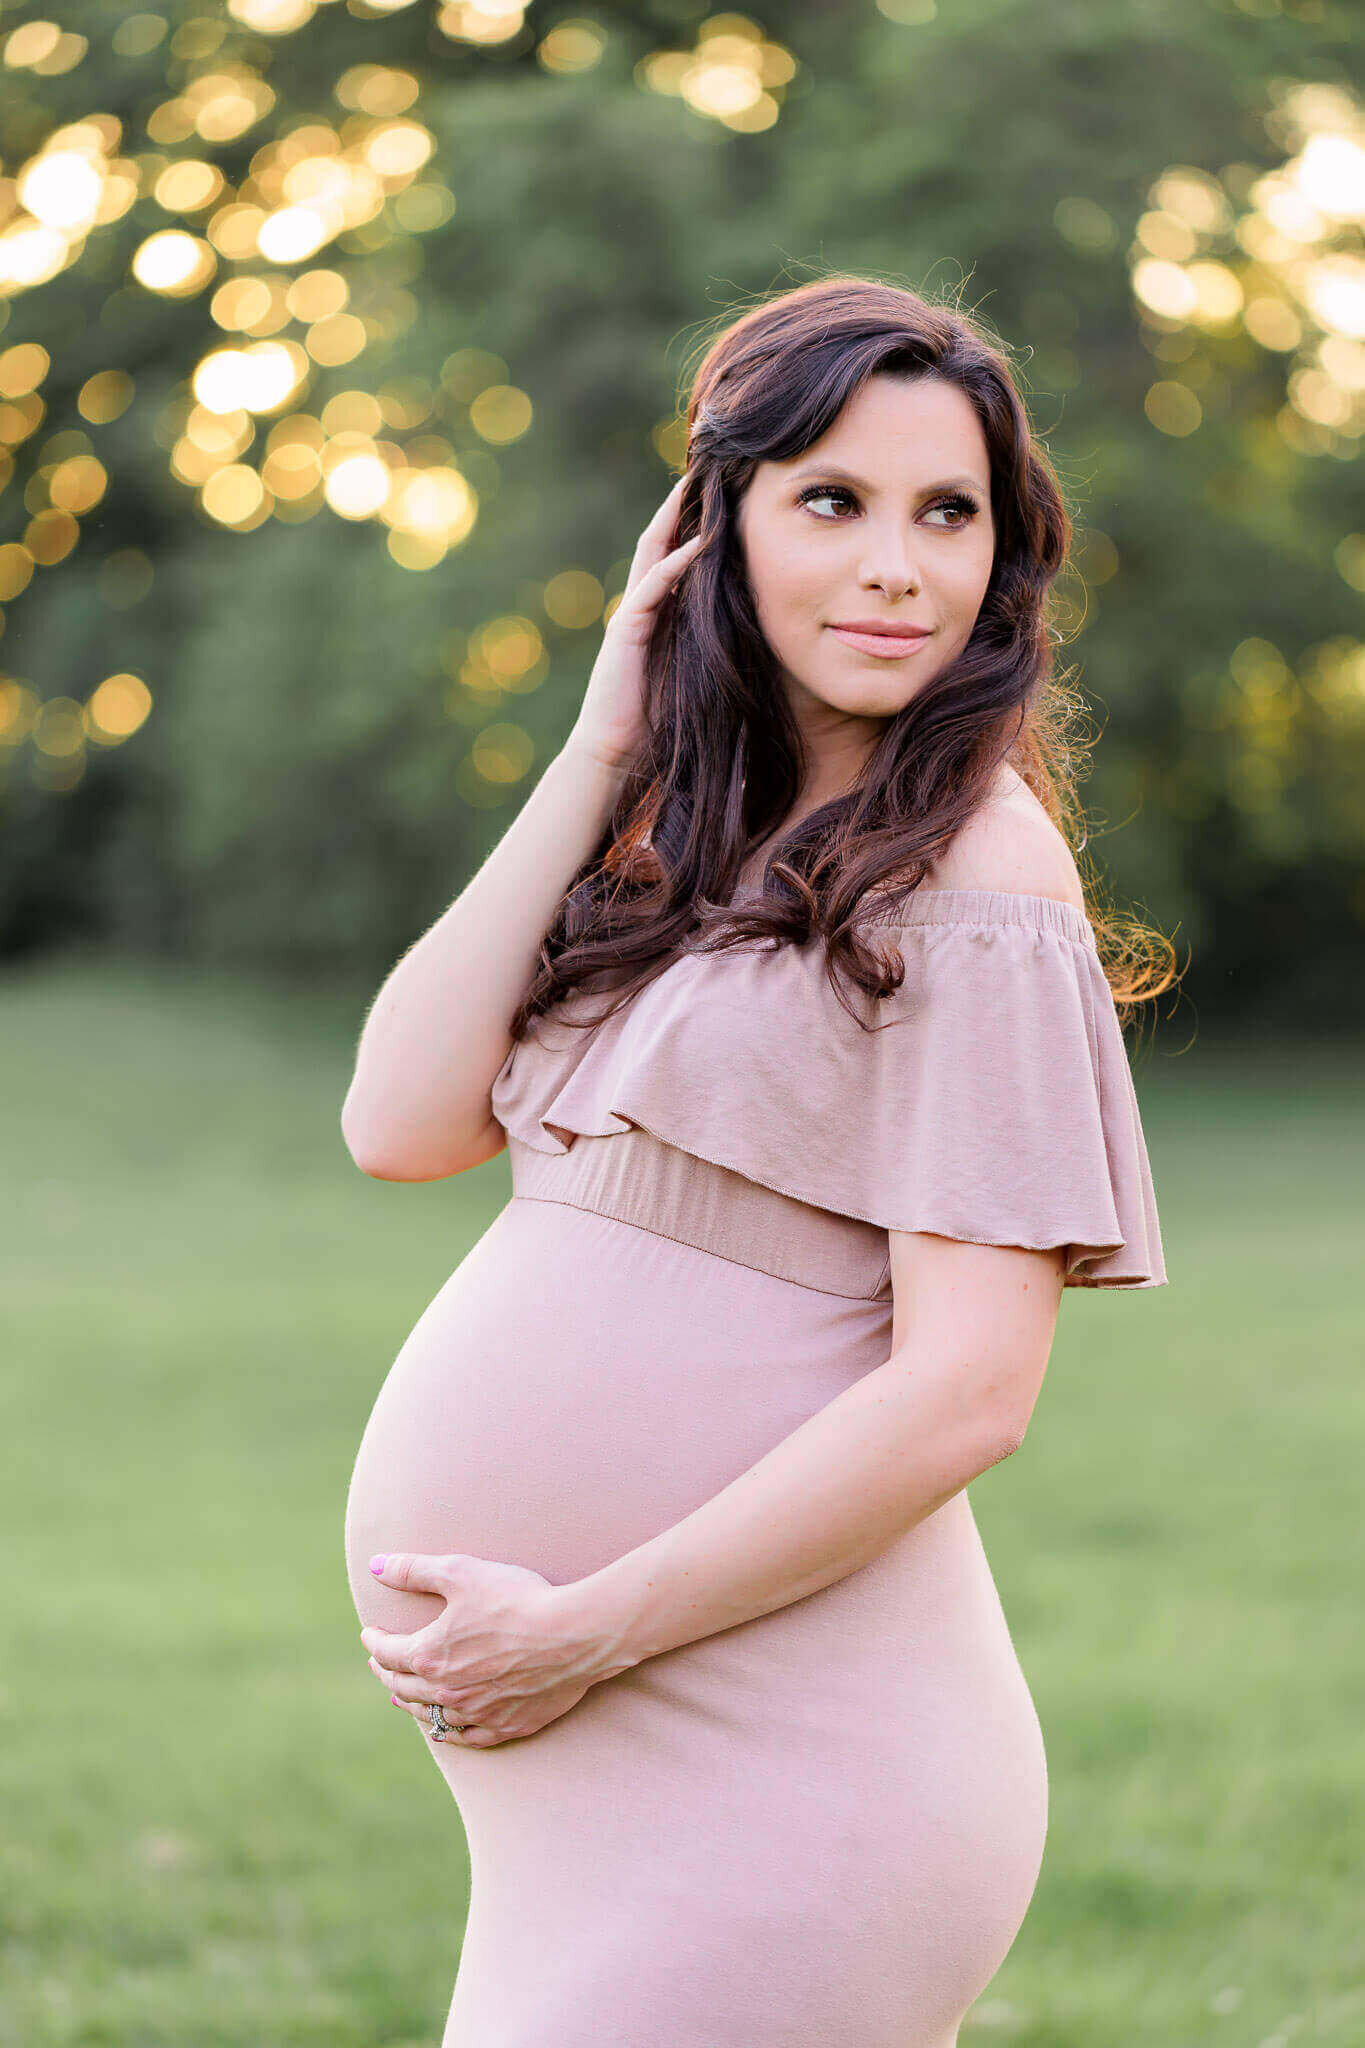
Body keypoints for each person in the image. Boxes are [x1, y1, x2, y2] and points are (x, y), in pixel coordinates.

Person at [340, 275, 1174, 2048]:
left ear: (1002, 563)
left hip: (784, 1758)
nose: (896, 566)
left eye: (946, 514)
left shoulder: (975, 879)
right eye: (830, 501)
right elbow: (399, 1122)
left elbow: (968, 1392)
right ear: (710, 534)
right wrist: (598, 745)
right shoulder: (688, 838)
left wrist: (583, 1629)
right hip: (598, 1770)